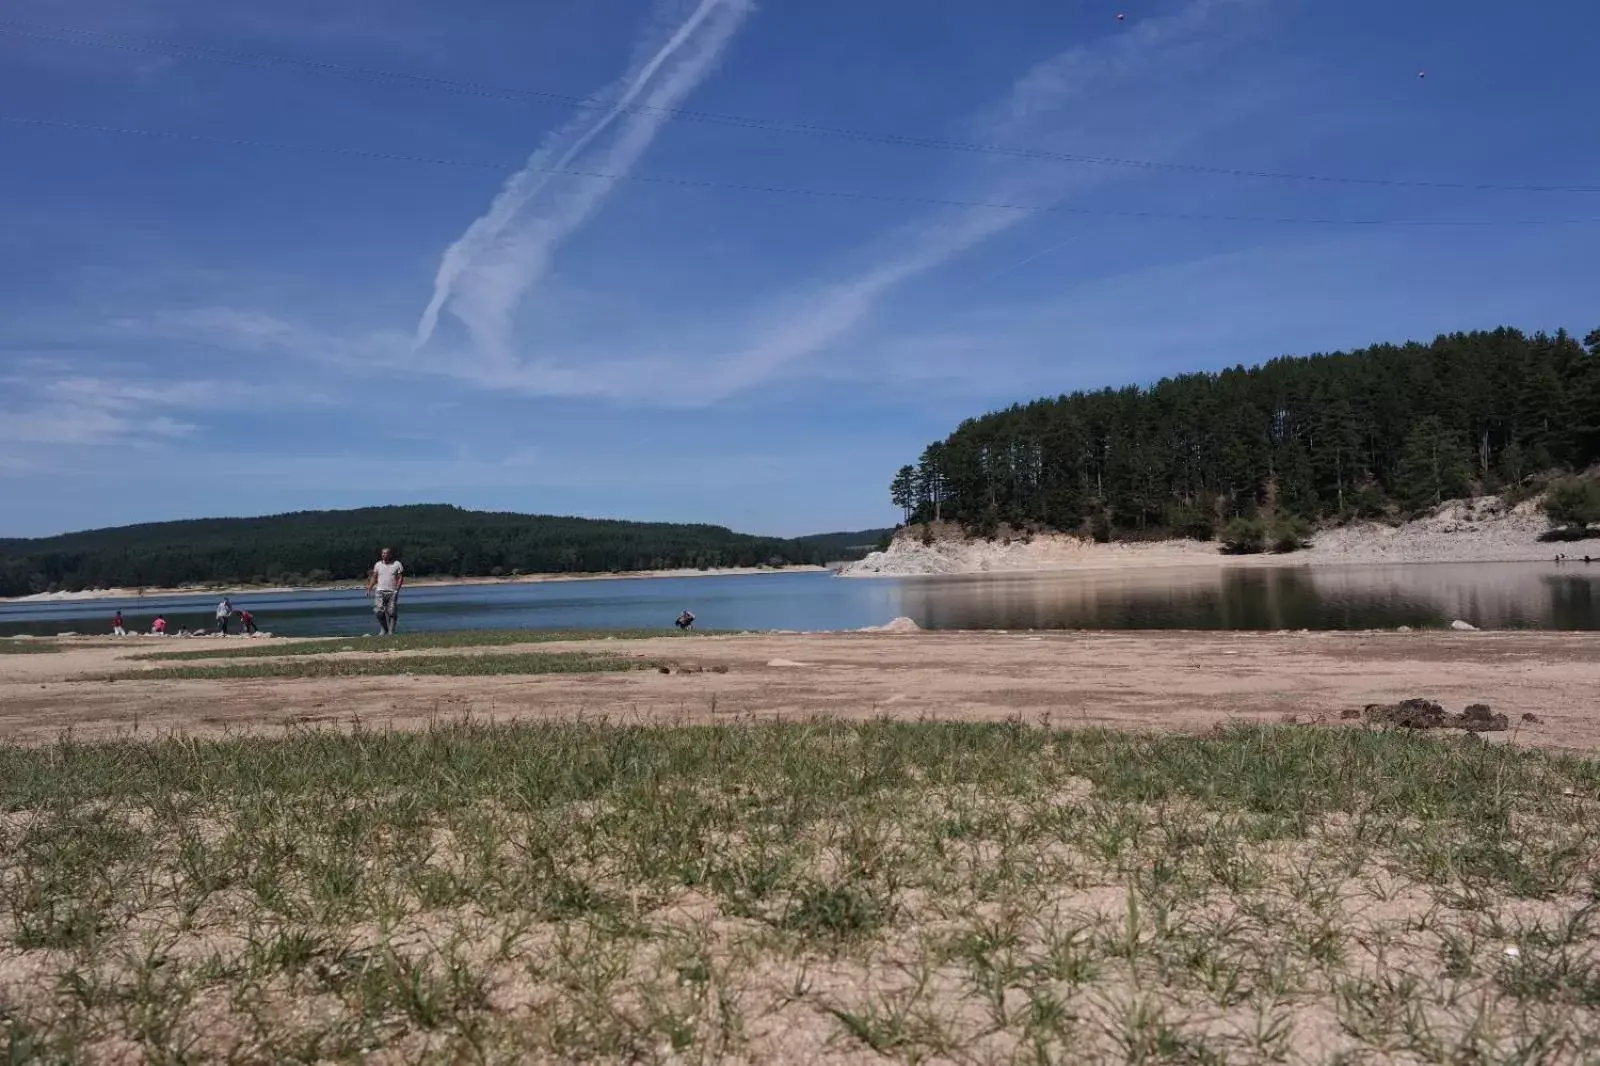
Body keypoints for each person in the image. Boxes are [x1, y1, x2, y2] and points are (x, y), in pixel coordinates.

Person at [367, 547, 405, 635]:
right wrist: (369, 588)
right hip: (380, 591)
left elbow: (400, 578)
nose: (384, 555)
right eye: (383, 553)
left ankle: (391, 631)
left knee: (392, 612)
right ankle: (384, 629)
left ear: (390, 554)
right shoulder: (378, 565)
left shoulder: (397, 564)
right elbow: (374, 577)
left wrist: (397, 589)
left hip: (392, 591)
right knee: (378, 611)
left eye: (386, 553)